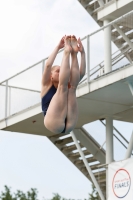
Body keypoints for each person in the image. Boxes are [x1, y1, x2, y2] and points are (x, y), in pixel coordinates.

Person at [41, 35, 86, 134]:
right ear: (51, 76)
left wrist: (82, 53)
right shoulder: (46, 85)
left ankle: (74, 54)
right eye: (58, 71)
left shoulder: (66, 85)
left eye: (63, 70)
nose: (61, 72)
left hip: (69, 124)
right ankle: (67, 52)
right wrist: (58, 47)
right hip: (53, 123)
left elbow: (81, 73)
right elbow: (48, 65)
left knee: (72, 87)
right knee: (65, 87)